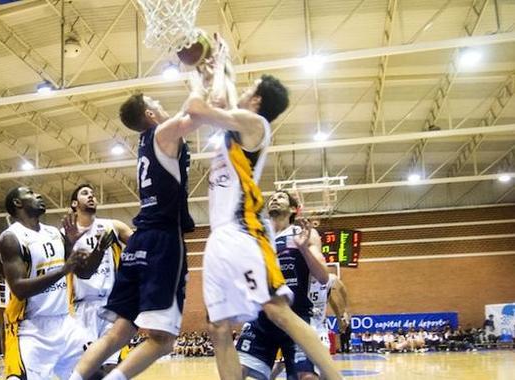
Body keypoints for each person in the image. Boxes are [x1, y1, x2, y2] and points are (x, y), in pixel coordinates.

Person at [184, 34, 341, 380]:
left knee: (277, 309)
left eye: (247, 89)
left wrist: (197, 73)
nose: (239, 93)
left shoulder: (257, 126)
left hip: (245, 229)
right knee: (218, 328)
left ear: (255, 100)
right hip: (219, 237)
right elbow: (223, 98)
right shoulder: (239, 121)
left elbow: (199, 108)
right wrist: (221, 62)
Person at [70, 86, 198, 380]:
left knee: (118, 333)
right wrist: (206, 73)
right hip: (163, 240)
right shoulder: (163, 133)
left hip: (139, 240)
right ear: (151, 114)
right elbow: (196, 112)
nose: (164, 107)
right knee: (163, 340)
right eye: (158, 103)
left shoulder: (146, 142)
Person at [0, 186, 101, 380]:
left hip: (66, 322)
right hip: (32, 328)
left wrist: (95, 247)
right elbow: (19, 289)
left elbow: (84, 273)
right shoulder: (12, 237)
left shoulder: (54, 233)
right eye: (30, 193)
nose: (38, 195)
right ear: (17, 203)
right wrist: (63, 270)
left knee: (95, 373)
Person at [67, 183, 134, 376]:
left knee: (114, 368)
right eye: (85, 193)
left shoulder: (112, 226)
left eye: (93, 194)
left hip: (110, 305)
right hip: (81, 307)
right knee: (87, 370)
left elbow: (140, 244)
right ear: (74, 203)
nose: (91, 196)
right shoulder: (66, 234)